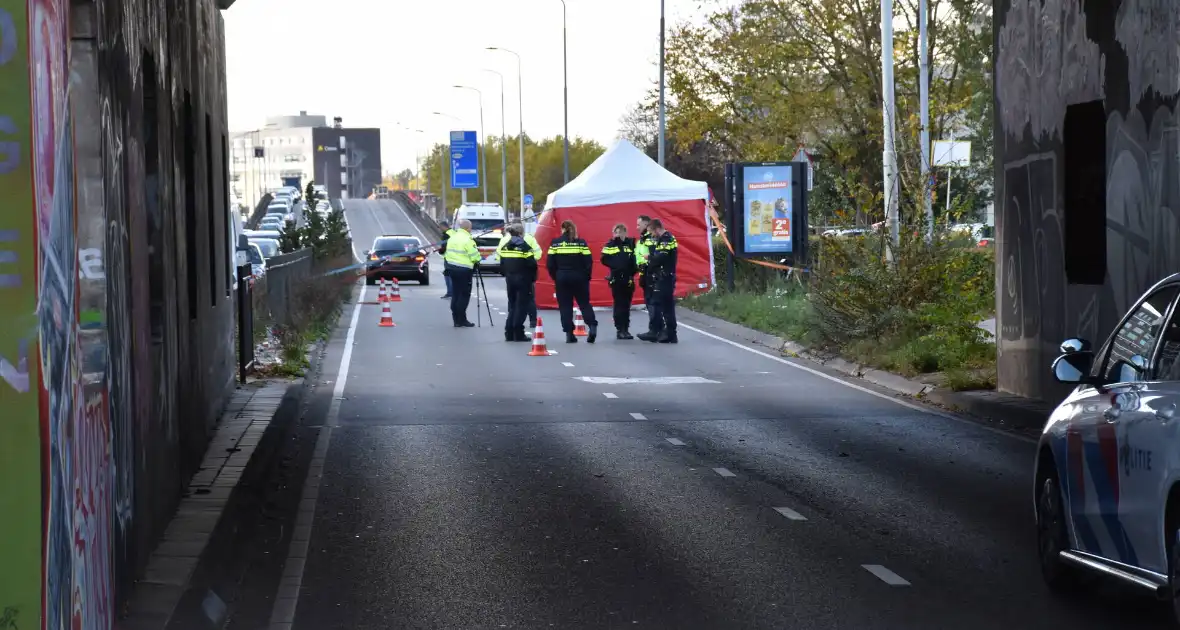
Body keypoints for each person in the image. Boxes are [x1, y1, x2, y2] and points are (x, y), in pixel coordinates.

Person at [546, 219, 598, 343]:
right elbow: (588, 261)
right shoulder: (581, 243)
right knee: (584, 303)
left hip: (562, 278)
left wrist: (556, 276)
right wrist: (586, 276)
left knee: (565, 306)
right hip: (579, 277)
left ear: (563, 229)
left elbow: (550, 264)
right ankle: (592, 326)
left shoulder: (555, 244)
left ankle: (569, 334)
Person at [637, 218, 678, 343]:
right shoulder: (666, 238)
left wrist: (649, 258)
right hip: (664, 276)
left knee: (663, 305)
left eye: (652, 232)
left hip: (665, 276)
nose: (652, 235)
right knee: (666, 305)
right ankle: (669, 333)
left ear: (657, 228)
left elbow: (660, 258)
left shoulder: (666, 240)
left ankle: (668, 332)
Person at [497, 224, 538, 342]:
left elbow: (502, 264)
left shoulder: (505, 247)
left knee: (513, 306)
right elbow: (532, 265)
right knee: (522, 307)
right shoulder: (525, 247)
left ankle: (508, 332)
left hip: (510, 279)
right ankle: (518, 332)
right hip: (523, 280)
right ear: (521, 233)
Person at [600, 223, 638, 339]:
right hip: (616, 278)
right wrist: (617, 266)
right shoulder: (610, 245)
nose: (618, 234)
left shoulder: (631, 244)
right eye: (616, 232)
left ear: (625, 233)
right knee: (619, 304)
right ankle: (620, 329)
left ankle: (626, 328)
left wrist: (633, 270)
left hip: (628, 278)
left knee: (626, 305)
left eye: (620, 232)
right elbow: (604, 259)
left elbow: (635, 258)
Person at [442, 219, 481, 327]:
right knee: (464, 295)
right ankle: (462, 318)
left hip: (452, 268)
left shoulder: (452, 238)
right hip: (464, 270)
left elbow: (447, 253)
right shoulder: (468, 239)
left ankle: (456, 319)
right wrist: (478, 259)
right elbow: (474, 256)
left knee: (456, 293)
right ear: (468, 228)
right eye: (470, 228)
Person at [634, 215, 655, 323]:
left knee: (651, 301)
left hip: (650, 272)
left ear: (646, 225)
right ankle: (655, 328)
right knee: (649, 300)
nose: (637, 227)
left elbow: (654, 255)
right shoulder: (642, 240)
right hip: (644, 272)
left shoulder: (650, 238)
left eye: (639, 225)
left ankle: (655, 329)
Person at [437, 220, 457, 299]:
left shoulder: (446, 235)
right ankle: (454, 291)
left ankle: (450, 292)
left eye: (440, 227)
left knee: (447, 275)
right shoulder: (454, 232)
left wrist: (440, 251)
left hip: (449, 257)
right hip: (457, 257)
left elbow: (444, 247)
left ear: (443, 226)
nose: (440, 229)